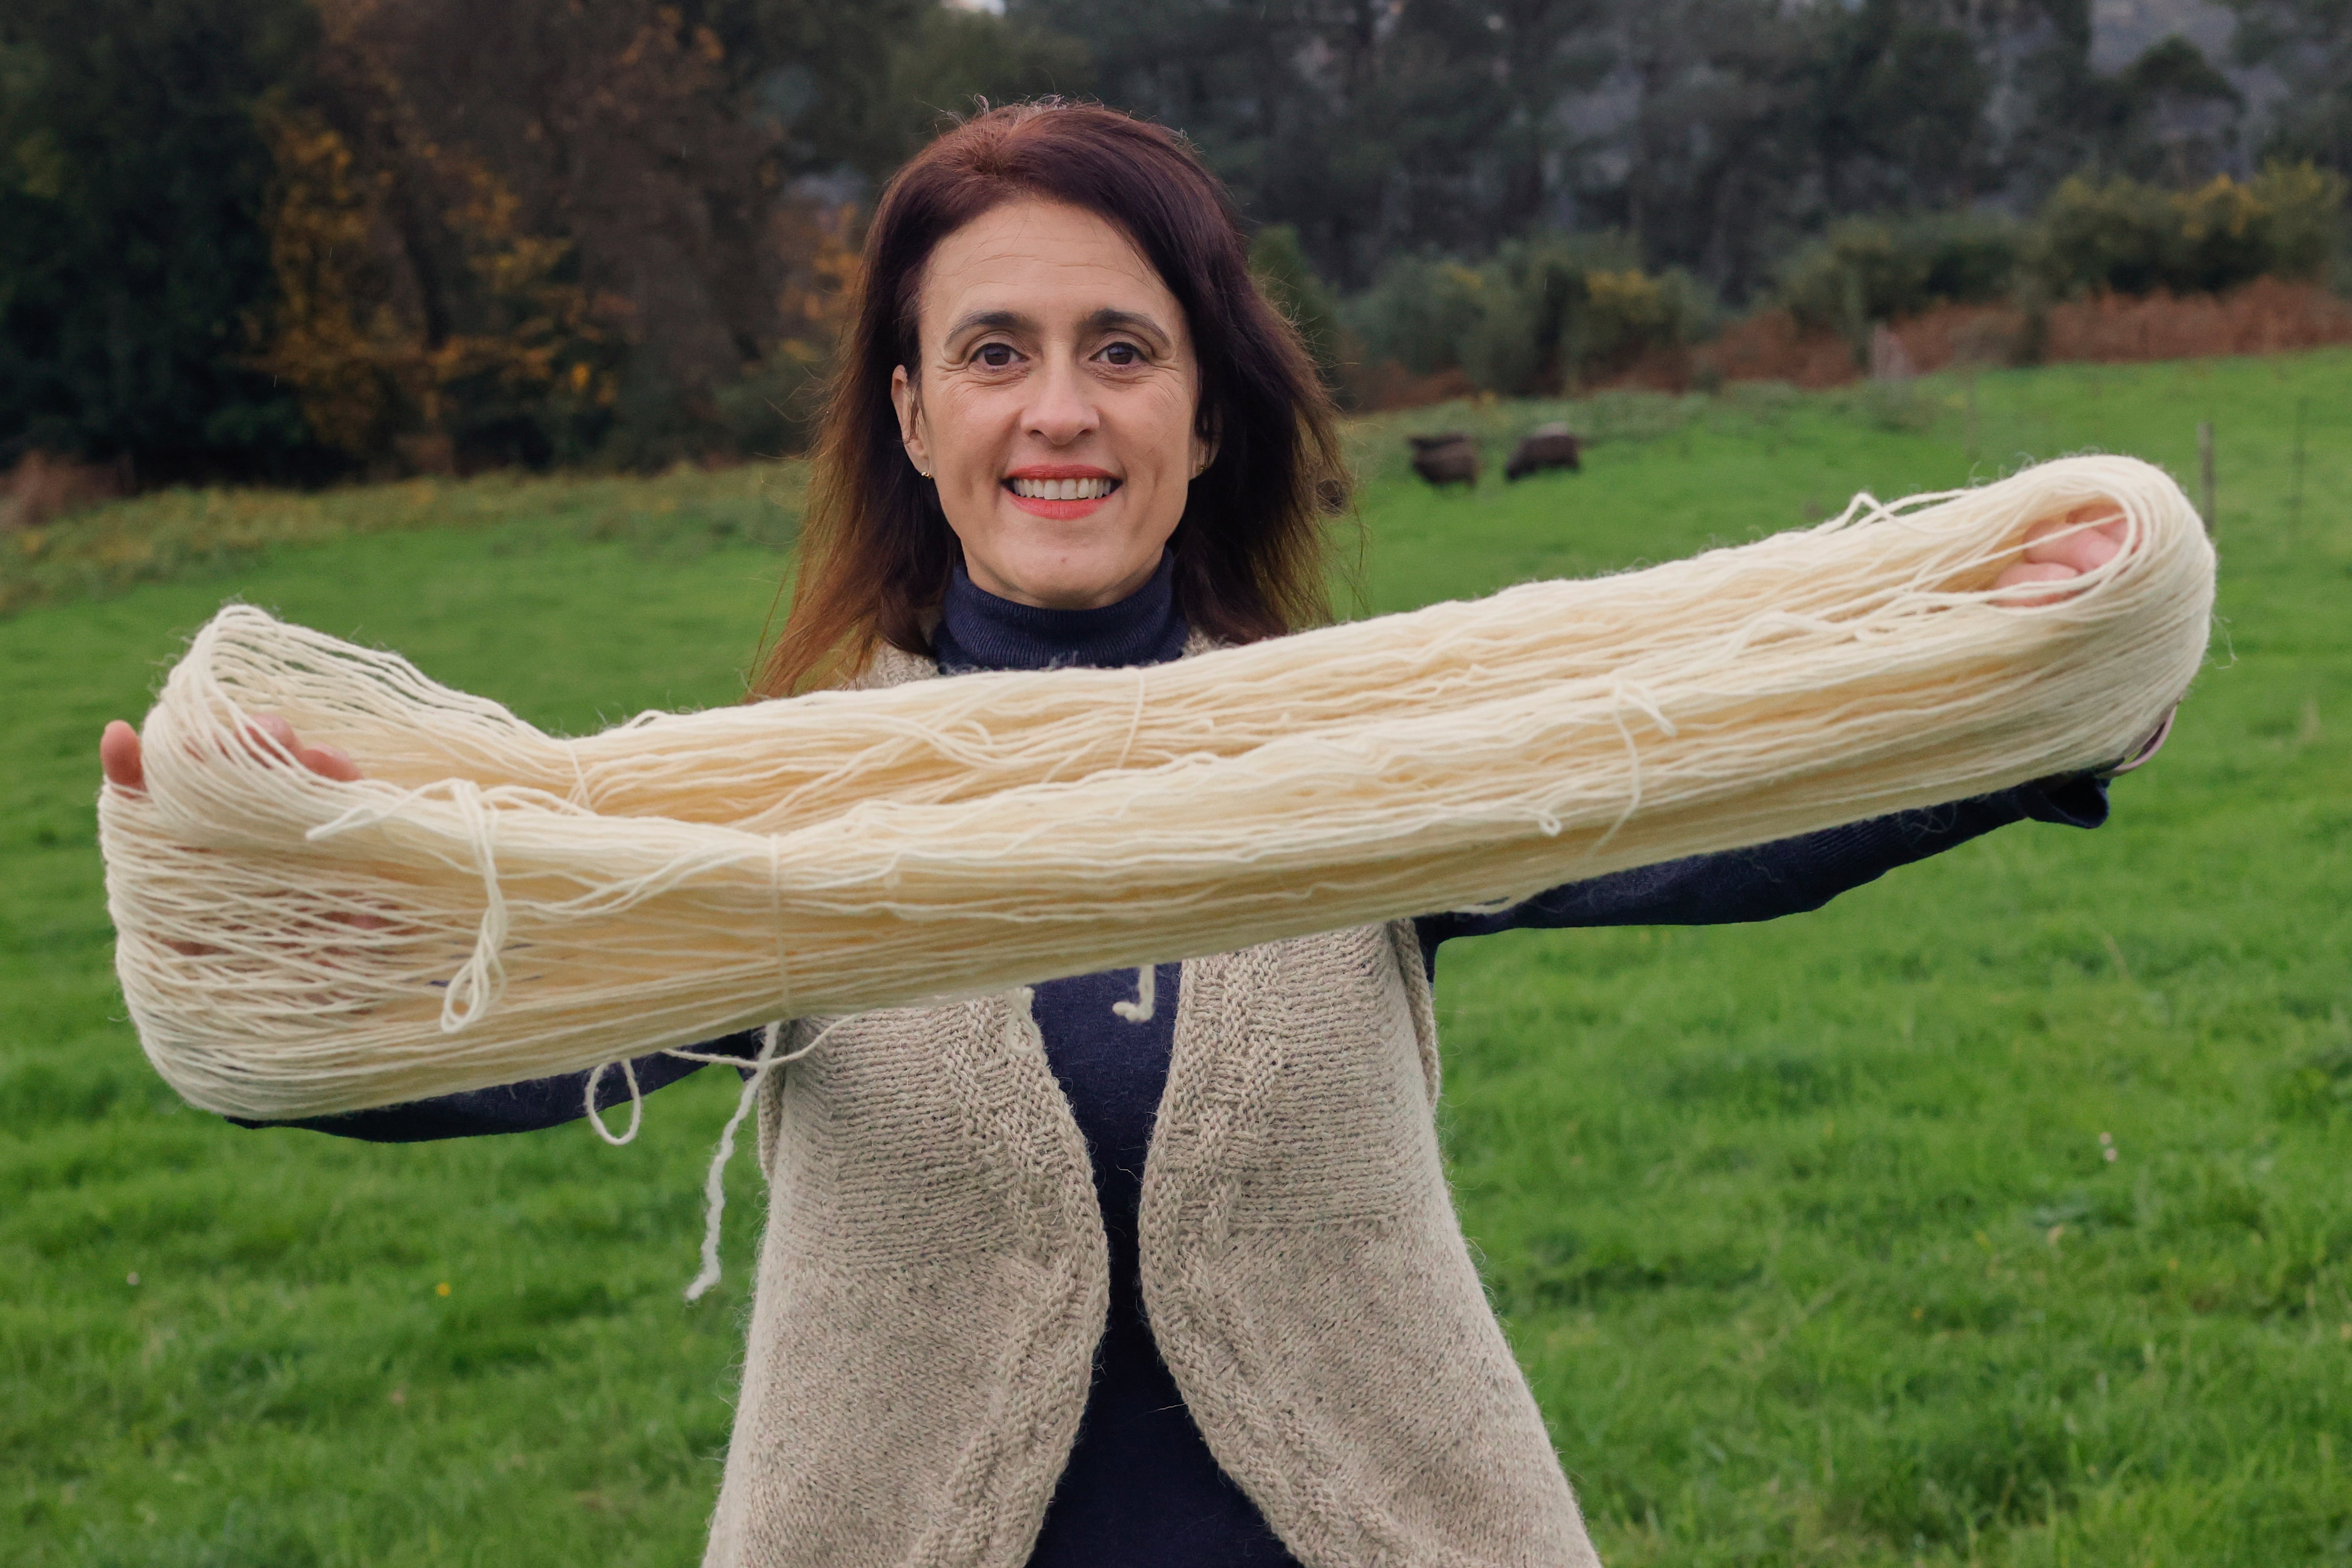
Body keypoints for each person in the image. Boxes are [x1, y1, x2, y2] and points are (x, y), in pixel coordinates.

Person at [98, 101, 2167, 1568]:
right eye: (993, 353)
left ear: (1206, 410)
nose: (1058, 411)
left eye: (1121, 350)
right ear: (914, 416)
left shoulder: (1376, 759)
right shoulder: (773, 814)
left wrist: (2032, 680)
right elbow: (465, 1039)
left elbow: (1718, 797)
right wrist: (272, 911)